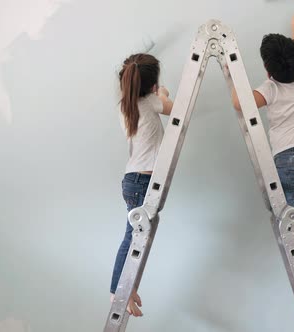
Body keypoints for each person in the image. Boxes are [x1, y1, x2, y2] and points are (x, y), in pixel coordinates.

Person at [231, 10, 294, 292]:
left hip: (290, 160)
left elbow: (240, 103)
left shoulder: (271, 88)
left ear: (268, 70)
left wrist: (231, 72)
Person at [111, 53, 174, 316]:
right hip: (143, 180)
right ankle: (118, 291)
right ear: (150, 85)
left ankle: (127, 286)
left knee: (136, 236)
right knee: (133, 236)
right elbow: (174, 107)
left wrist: (156, 91)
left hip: (133, 179)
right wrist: (163, 92)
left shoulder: (124, 105)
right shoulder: (151, 102)